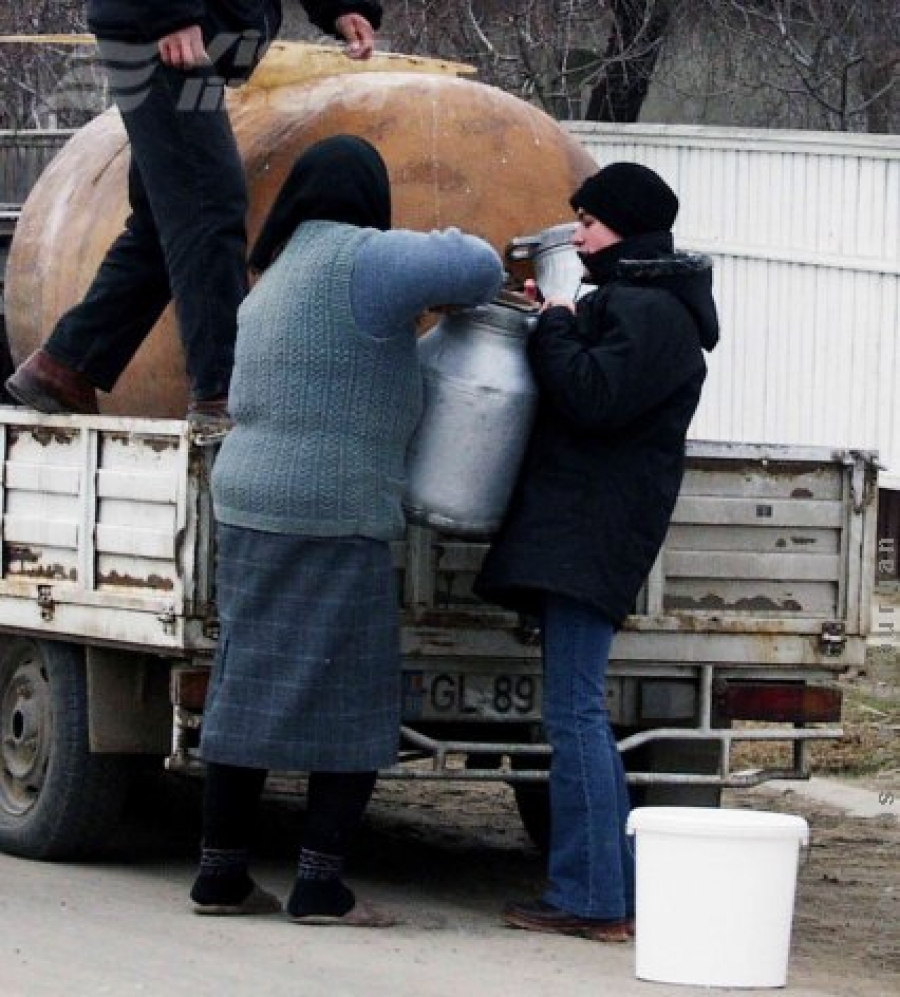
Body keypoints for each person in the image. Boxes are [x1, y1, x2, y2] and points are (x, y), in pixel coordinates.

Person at [189, 134, 505, 922]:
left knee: (246, 688)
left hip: (250, 504)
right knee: (355, 700)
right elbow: (479, 267)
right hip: (332, 511)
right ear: (366, 194)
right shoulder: (363, 259)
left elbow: (362, 359)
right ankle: (321, 883)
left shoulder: (275, 277)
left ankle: (221, 873)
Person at [473, 162, 720, 941]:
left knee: (576, 714)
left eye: (590, 222)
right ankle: (607, 889)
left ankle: (589, 897)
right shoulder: (639, 304)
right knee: (578, 713)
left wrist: (553, 326)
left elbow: (593, 396)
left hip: (592, 535)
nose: (576, 234)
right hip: (587, 532)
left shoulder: (651, 312)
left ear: (630, 228)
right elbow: (599, 376)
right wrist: (564, 316)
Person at [5, 1, 383, 429]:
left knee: (170, 214)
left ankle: (66, 366)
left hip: (184, 34)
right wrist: (170, 15)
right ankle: (223, 393)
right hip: (163, 33)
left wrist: (342, 7)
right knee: (208, 206)